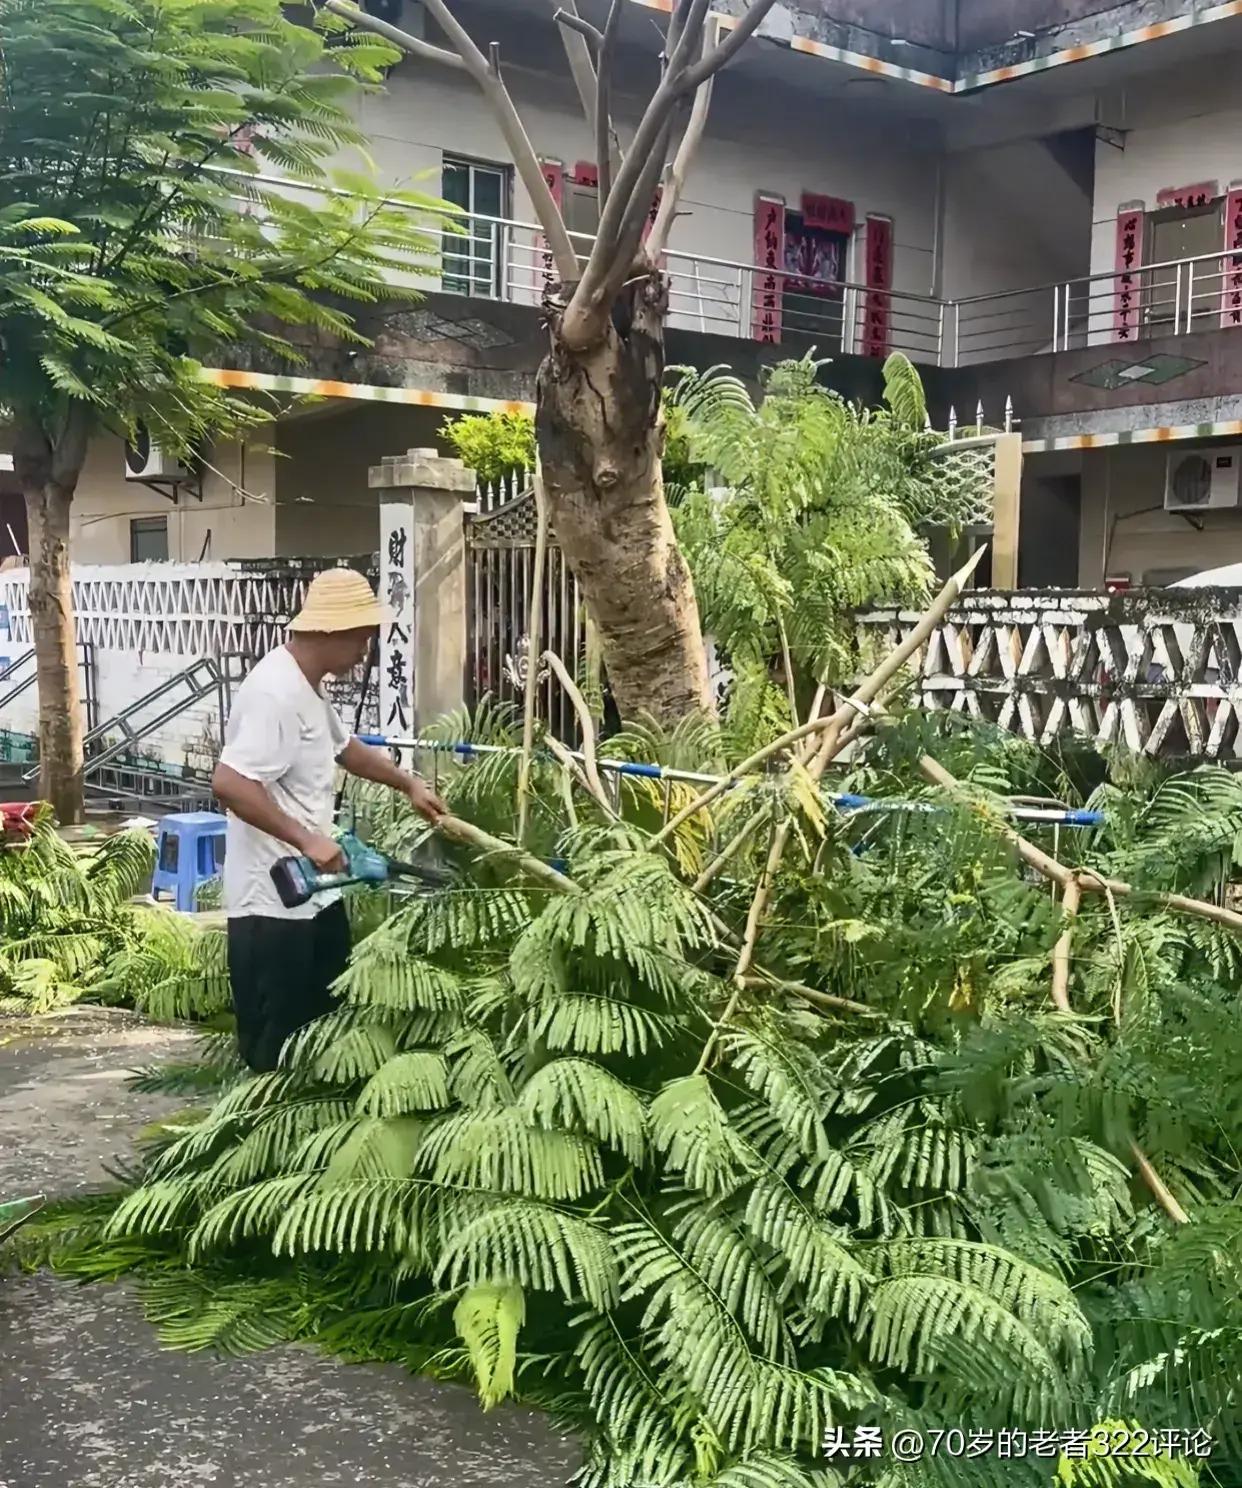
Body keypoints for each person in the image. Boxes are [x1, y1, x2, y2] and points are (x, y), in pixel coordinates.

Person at [211, 568, 446, 1072]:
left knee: (324, 1026)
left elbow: (344, 749)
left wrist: (408, 783)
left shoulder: (308, 686)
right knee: (278, 1048)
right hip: (271, 906)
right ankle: (267, 1137)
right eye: (362, 637)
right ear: (330, 632)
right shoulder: (273, 692)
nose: (366, 650)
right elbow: (229, 783)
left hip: (316, 895)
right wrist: (306, 839)